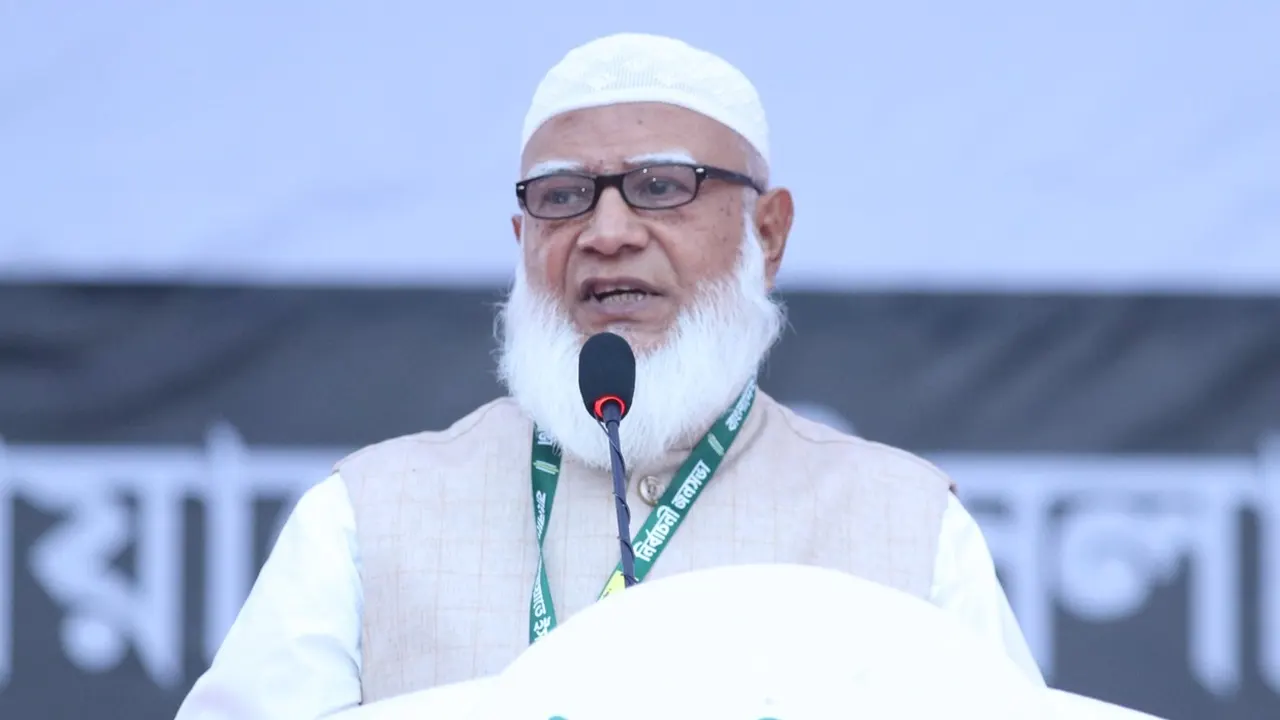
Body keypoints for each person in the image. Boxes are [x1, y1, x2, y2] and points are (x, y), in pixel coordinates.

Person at [175, 32, 1043, 719]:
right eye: (562, 197)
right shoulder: (366, 515)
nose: (609, 231)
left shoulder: (906, 523)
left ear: (768, 234)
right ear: (522, 241)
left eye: (662, 186)